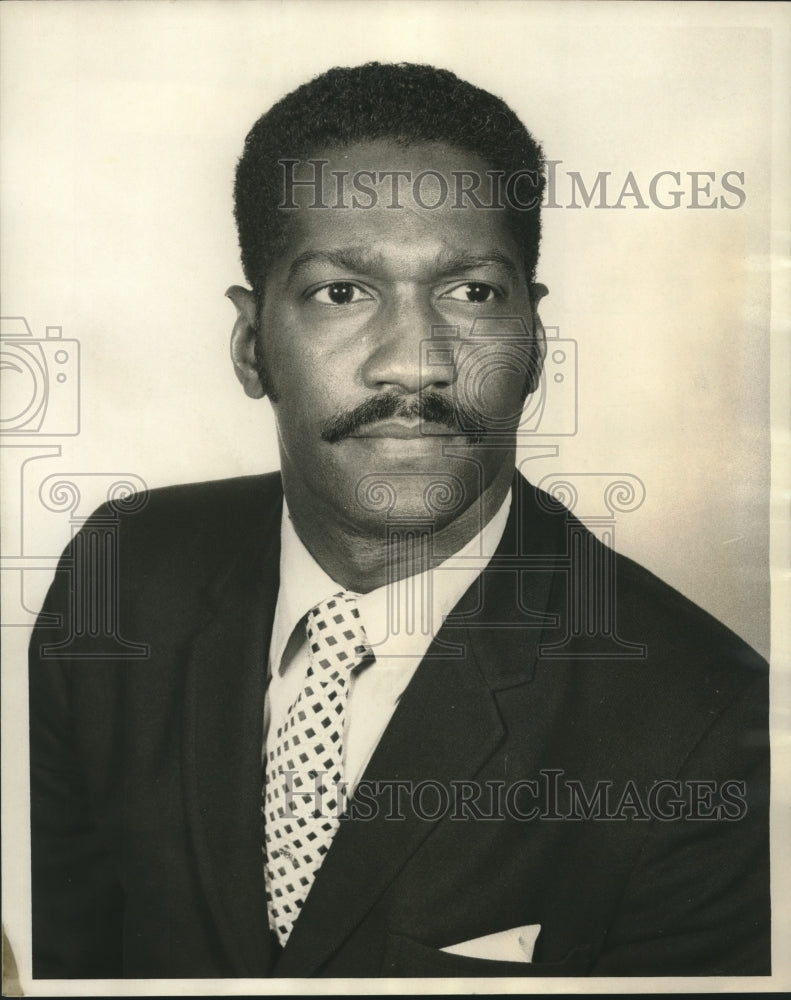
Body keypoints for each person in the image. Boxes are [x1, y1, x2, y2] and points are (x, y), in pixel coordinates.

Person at [29, 62, 770, 979]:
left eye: (471, 294)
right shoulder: (119, 575)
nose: (414, 366)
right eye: (342, 292)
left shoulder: (709, 725)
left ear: (535, 343)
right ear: (251, 343)